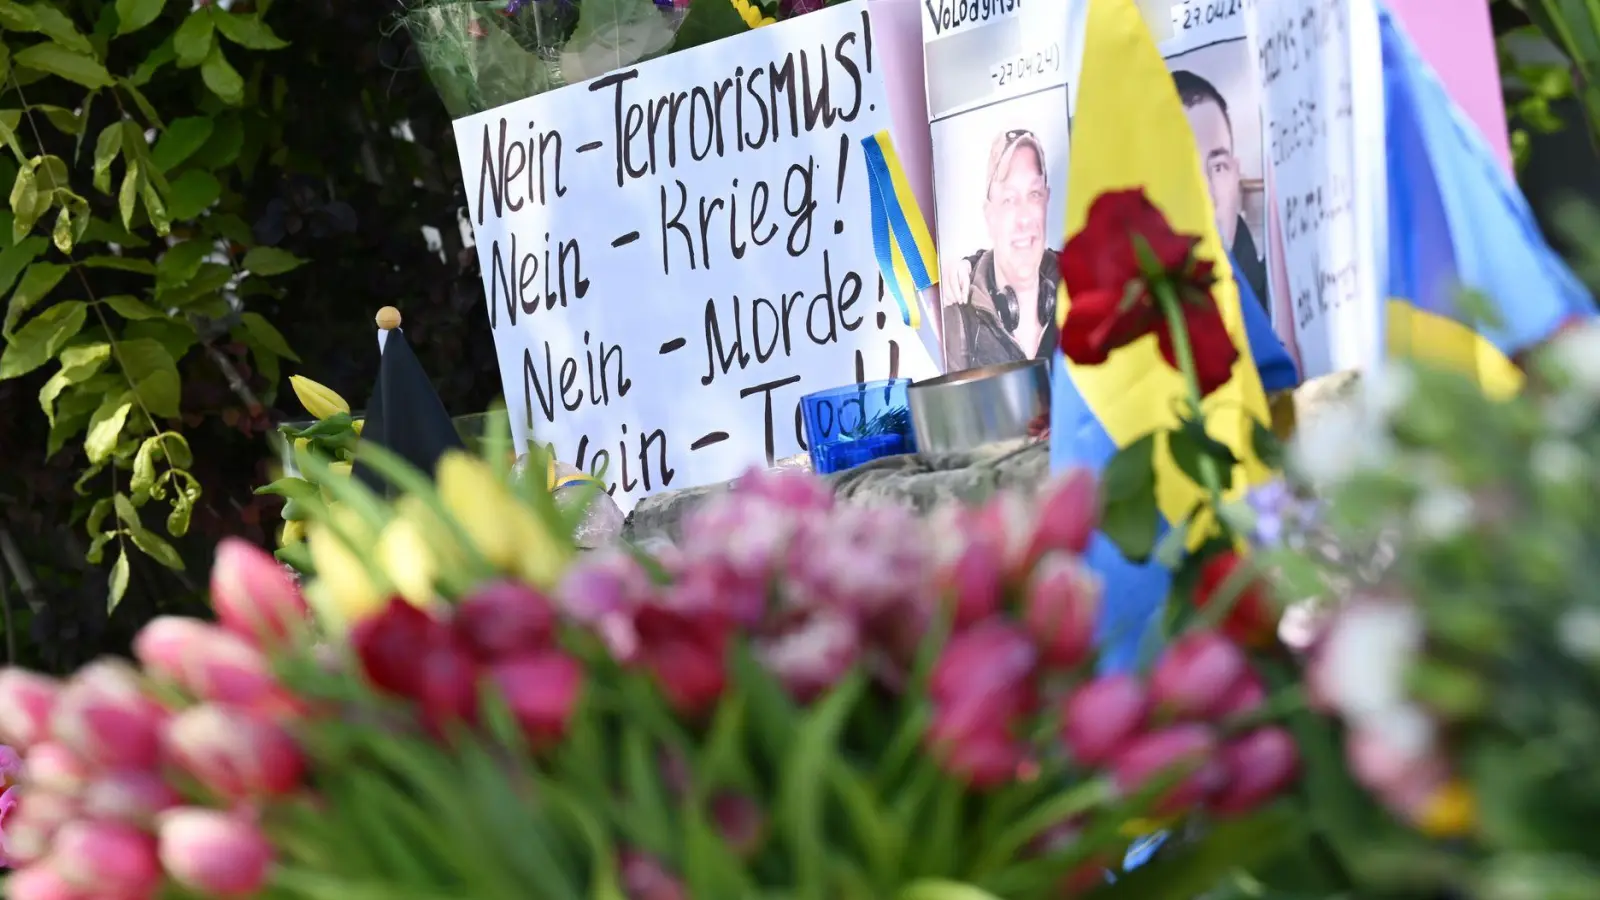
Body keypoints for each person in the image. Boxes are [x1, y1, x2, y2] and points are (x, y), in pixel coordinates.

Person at [943, 128, 1060, 370]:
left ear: (1047, 201)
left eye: (1034, 194)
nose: (1024, 218)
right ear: (990, 215)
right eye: (1009, 200)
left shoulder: (1079, 289)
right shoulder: (961, 321)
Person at [1171, 69, 1271, 310]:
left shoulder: (1279, 303)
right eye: (1184, 171)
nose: (1208, 196)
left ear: (1236, 174)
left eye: (1218, 167)